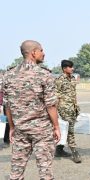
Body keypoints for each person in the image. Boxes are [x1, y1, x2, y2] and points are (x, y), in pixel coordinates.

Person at [1, 40, 60, 179]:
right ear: (33, 52)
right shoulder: (44, 75)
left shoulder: (8, 75)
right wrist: (56, 126)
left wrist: (12, 127)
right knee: (45, 170)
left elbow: (7, 105)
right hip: (42, 131)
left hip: (20, 129)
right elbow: (51, 105)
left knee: (16, 170)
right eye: (41, 50)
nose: (43, 53)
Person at [55, 59, 82, 163]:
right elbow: (56, 95)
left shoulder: (73, 78)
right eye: (70, 67)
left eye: (72, 67)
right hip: (64, 109)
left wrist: (76, 107)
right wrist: (56, 112)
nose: (72, 68)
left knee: (66, 129)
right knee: (70, 130)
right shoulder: (59, 79)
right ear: (64, 68)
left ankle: (59, 149)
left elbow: (73, 93)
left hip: (73, 108)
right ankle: (74, 151)